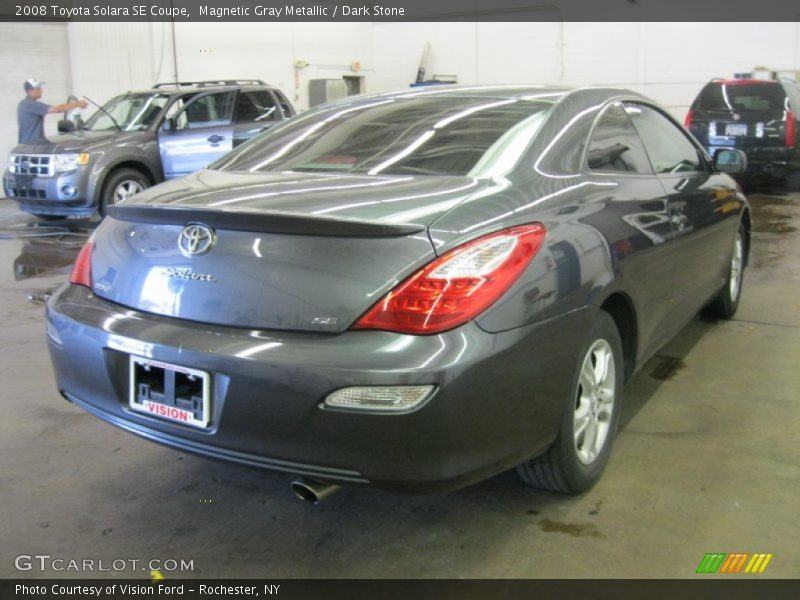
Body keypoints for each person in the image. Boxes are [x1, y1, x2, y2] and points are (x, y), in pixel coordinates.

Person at [17, 79, 88, 144]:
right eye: (38, 89)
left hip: (30, 144)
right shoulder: (30, 104)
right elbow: (57, 109)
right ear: (30, 91)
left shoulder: (23, 104)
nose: (41, 91)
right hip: (33, 146)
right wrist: (77, 104)